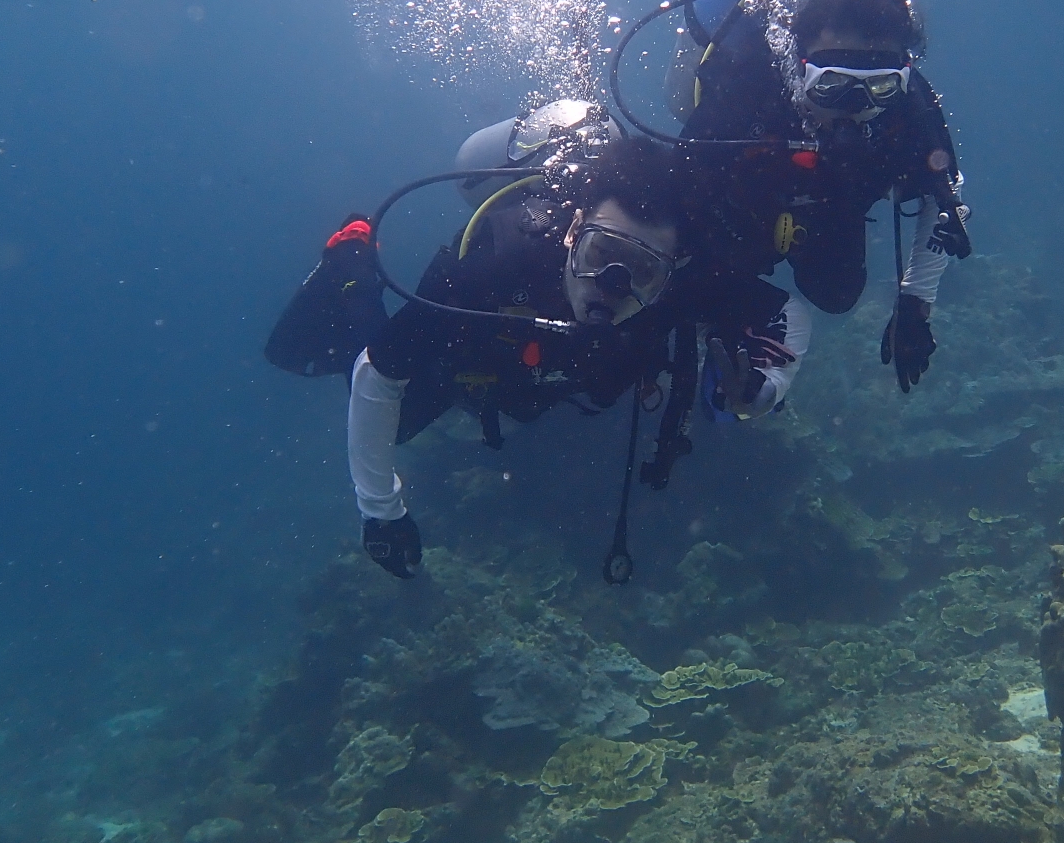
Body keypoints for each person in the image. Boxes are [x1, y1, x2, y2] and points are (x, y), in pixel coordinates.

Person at [338, 135, 808, 579]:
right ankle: (351, 263)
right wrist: (380, 513)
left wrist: (763, 388)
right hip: (472, 362)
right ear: (572, 231)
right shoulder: (489, 271)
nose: (611, 283)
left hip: (551, 377)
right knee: (376, 393)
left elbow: (786, 311)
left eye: (642, 270)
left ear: (672, 271)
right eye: (599, 251)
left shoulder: (680, 288)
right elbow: (378, 372)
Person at [679, 0, 971, 393]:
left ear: (902, 78)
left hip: (831, 211)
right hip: (734, 214)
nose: (854, 106)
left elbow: (944, 195)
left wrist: (915, 303)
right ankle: (722, 331)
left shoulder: (911, 107)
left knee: (837, 295)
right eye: (833, 85)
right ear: (799, 64)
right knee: (699, 271)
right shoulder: (750, 86)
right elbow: (679, 181)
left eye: (880, 88)